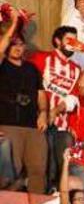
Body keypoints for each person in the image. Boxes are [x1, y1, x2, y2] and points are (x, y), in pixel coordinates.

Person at [0, 23, 49, 194]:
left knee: (38, 171)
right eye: (12, 44)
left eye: (20, 44)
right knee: (10, 173)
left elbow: (41, 95)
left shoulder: (32, 69)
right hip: (8, 124)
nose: (17, 48)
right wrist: (13, 23)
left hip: (33, 126)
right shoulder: (2, 65)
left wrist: (43, 113)